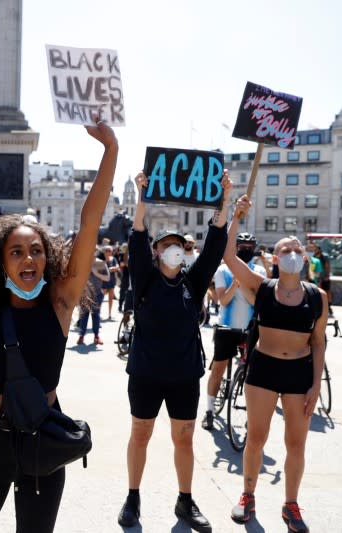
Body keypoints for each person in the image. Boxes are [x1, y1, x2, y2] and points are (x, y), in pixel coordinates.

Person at [0, 113, 117, 532]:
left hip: (43, 439)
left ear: (47, 257)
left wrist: (111, 150)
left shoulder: (60, 302)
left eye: (35, 250)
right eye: (16, 252)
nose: (28, 258)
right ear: (1, 262)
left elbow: (89, 220)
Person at [119, 171, 231, 532]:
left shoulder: (193, 282)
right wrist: (142, 195)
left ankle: (185, 500)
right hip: (146, 373)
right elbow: (137, 234)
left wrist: (224, 199)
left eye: (180, 245)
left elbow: (215, 245)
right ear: (157, 252)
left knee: (184, 437)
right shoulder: (145, 278)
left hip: (184, 375)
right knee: (141, 434)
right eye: (167, 244)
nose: (175, 249)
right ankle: (133, 497)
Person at [225, 195, 327, 532]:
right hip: (264, 370)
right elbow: (228, 257)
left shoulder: (317, 296)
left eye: (297, 249)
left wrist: (315, 384)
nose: (293, 253)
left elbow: (318, 342)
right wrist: (236, 216)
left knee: (296, 443)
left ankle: (291, 505)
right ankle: (247, 495)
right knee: (256, 437)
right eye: (286, 249)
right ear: (274, 257)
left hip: (299, 374)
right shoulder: (261, 287)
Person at [201, 233, 265, 430]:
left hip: (250, 329)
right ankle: (210, 410)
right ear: (235, 248)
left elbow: (258, 303)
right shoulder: (222, 270)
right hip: (226, 327)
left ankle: (250, 413)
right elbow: (223, 300)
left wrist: (243, 283)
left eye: (249, 246)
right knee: (218, 369)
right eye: (241, 246)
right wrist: (237, 283)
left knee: (251, 373)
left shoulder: (259, 271)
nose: (245, 249)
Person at [77, 251, 110, 345]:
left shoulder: (101, 264)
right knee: (84, 315)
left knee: (96, 315)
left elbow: (107, 278)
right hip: (85, 294)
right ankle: (81, 336)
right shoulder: (83, 263)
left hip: (97, 294)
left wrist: (96, 273)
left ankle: (96, 337)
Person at [312, 243, 333, 316]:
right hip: (316, 278)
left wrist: (327, 275)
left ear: (319, 249)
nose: (314, 250)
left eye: (316, 249)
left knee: (327, 292)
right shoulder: (313, 256)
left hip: (324, 277)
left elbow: (328, 266)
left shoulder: (325, 256)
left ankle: (329, 307)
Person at [101, 245, 119, 319]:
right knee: (101, 298)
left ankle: (109, 314)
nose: (108, 252)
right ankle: (99, 314)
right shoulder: (102, 259)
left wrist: (113, 268)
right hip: (104, 281)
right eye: (106, 250)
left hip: (111, 281)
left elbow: (117, 267)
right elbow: (100, 268)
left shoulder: (114, 259)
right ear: (104, 252)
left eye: (109, 251)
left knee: (111, 299)